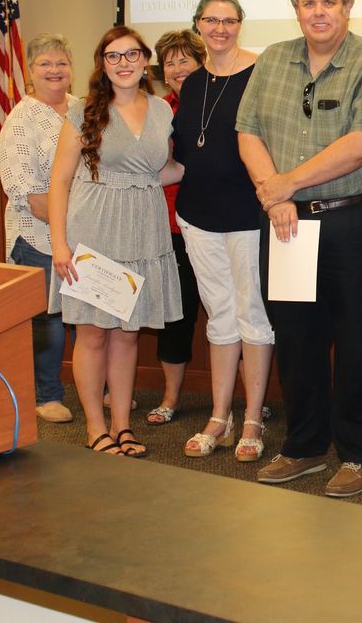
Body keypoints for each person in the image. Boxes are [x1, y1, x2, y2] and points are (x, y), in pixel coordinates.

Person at [237, 0, 362, 495]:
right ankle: (304, 447)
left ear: (347, 7)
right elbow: (248, 132)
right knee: (297, 340)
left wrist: (287, 184)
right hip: (288, 224)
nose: (319, 12)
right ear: (297, 10)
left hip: (356, 221)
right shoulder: (272, 60)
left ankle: (359, 454)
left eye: (329, 2)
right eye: (309, 3)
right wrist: (273, 191)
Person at [49, 26, 184, 456]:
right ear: (102, 65)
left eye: (131, 55)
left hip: (144, 228)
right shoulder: (85, 111)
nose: (123, 63)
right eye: (113, 56)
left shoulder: (163, 110)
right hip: (94, 229)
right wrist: (59, 245)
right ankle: (95, 427)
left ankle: (123, 426)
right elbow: (59, 181)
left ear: (146, 61)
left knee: (127, 335)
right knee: (92, 335)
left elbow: (160, 171)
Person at [174, 0, 274, 461]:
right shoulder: (192, 83)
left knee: (252, 312)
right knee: (219, 315)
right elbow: (185, 154)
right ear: (198, 25)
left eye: (229, 21)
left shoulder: (262, 73)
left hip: (249, 216)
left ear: (240, 24)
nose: (220, 29)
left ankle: (252, 417)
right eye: (211, 20)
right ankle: (220, 414)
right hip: (197, 217)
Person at [0, 33, 79, 424]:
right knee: (49, 321)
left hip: (83, 236)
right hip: (37, 236)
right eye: (45, 63)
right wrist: (75, 227)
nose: (54, 70)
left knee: (86, 314)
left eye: (61, 63)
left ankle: (98, 388)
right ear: (30, 71)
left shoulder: (82, 109)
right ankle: (47, 395)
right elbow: (30, 194)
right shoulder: (21, 120)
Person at [145, 29, 206, 426]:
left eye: (186, 59)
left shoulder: (222, 104)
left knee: (232, 315)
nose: (178, 67)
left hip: (222, 223)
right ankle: (170, 397)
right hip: (172, 228)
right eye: (171, 61)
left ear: (202, 64)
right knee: (176, 317)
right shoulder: (156, 112)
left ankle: (242, 400)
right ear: (163, 73)